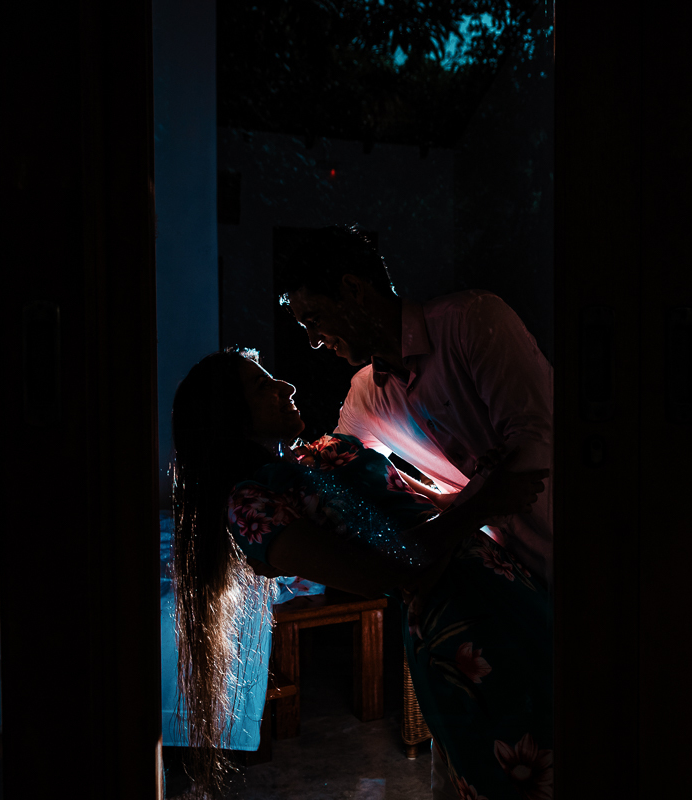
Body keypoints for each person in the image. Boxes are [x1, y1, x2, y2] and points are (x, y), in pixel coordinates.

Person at [170, 347, 553, 800]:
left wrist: (482, 485)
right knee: (521, 767)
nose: (286, 387)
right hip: (460, 629)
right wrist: (484, 503)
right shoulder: (253, 504)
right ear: (231, 419)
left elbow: (431, 506)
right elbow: (374, 573)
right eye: (261, 386)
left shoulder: (327, 451)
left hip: (501, 583)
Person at [278, 225, 554, 592]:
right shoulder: (364, 396)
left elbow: (535, 442)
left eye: (314, 320)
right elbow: (343, 474)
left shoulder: (473, 321)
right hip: (511, 586)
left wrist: (458, 506)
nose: (313, 341)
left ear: (354, 290)